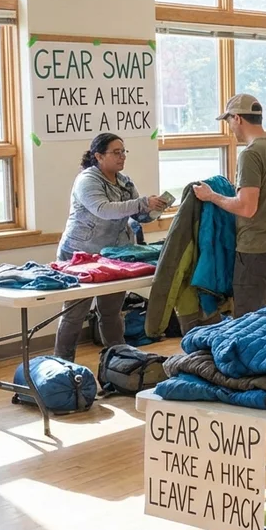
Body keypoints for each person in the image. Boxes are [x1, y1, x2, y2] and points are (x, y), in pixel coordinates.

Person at [55, 134, 169, 361]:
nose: (122, 157)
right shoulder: (87, 180)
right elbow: (103, 209)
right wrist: (142, 202)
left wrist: (152, 209)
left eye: (124, 151)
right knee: (74, 315)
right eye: (116, 152)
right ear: (98, 156)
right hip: (80, 256)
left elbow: (136, 215)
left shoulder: (125, 181)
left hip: (114, 256)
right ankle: (62, 365)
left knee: (112, 313)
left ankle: (120, 362)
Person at [194, 94, 266, 318]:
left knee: (248, 323)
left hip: (257, 251)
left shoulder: (250, 154)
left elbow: (246, 208)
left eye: (228, 122)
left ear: (237, 118)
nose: (230, 128)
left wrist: (212, 196)